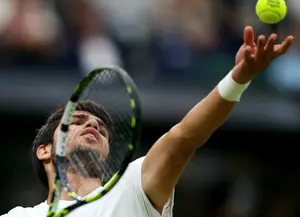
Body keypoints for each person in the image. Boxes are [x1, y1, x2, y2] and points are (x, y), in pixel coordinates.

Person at [1, 26, 293, 217]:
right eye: (76, 121)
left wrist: (239, 79)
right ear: (45, 150)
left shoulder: (132, 186)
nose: (92, 126)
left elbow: (184, 139)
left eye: (101, 129)